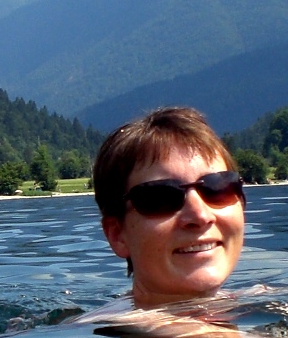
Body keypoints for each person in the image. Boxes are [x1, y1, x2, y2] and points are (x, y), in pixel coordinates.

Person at [92, 106, 245, 310]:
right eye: (161, 197)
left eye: (218, 187)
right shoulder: (100, 326)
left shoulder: (262, 301)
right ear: (117, 235)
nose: (200, 215)